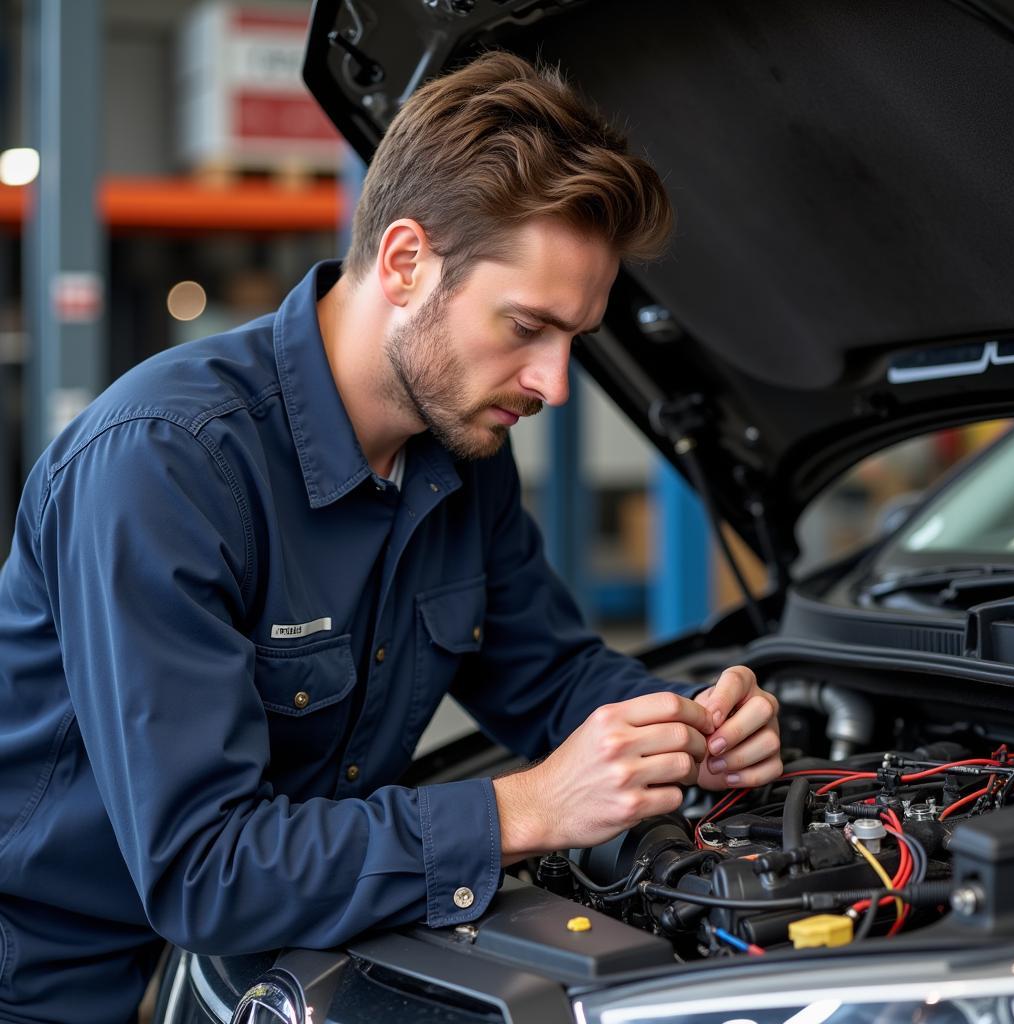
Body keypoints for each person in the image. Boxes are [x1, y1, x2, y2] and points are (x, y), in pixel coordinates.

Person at [0, 51, 781, 1023]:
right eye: (527, 327)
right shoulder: (165, 466)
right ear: (406, 261)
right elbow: (206, 869)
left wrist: (687, 724)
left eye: (573, 338)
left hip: (291, 964)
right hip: (67, 993)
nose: (552, 382)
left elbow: (549, 677)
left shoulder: (458, 459)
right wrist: (524, 809)